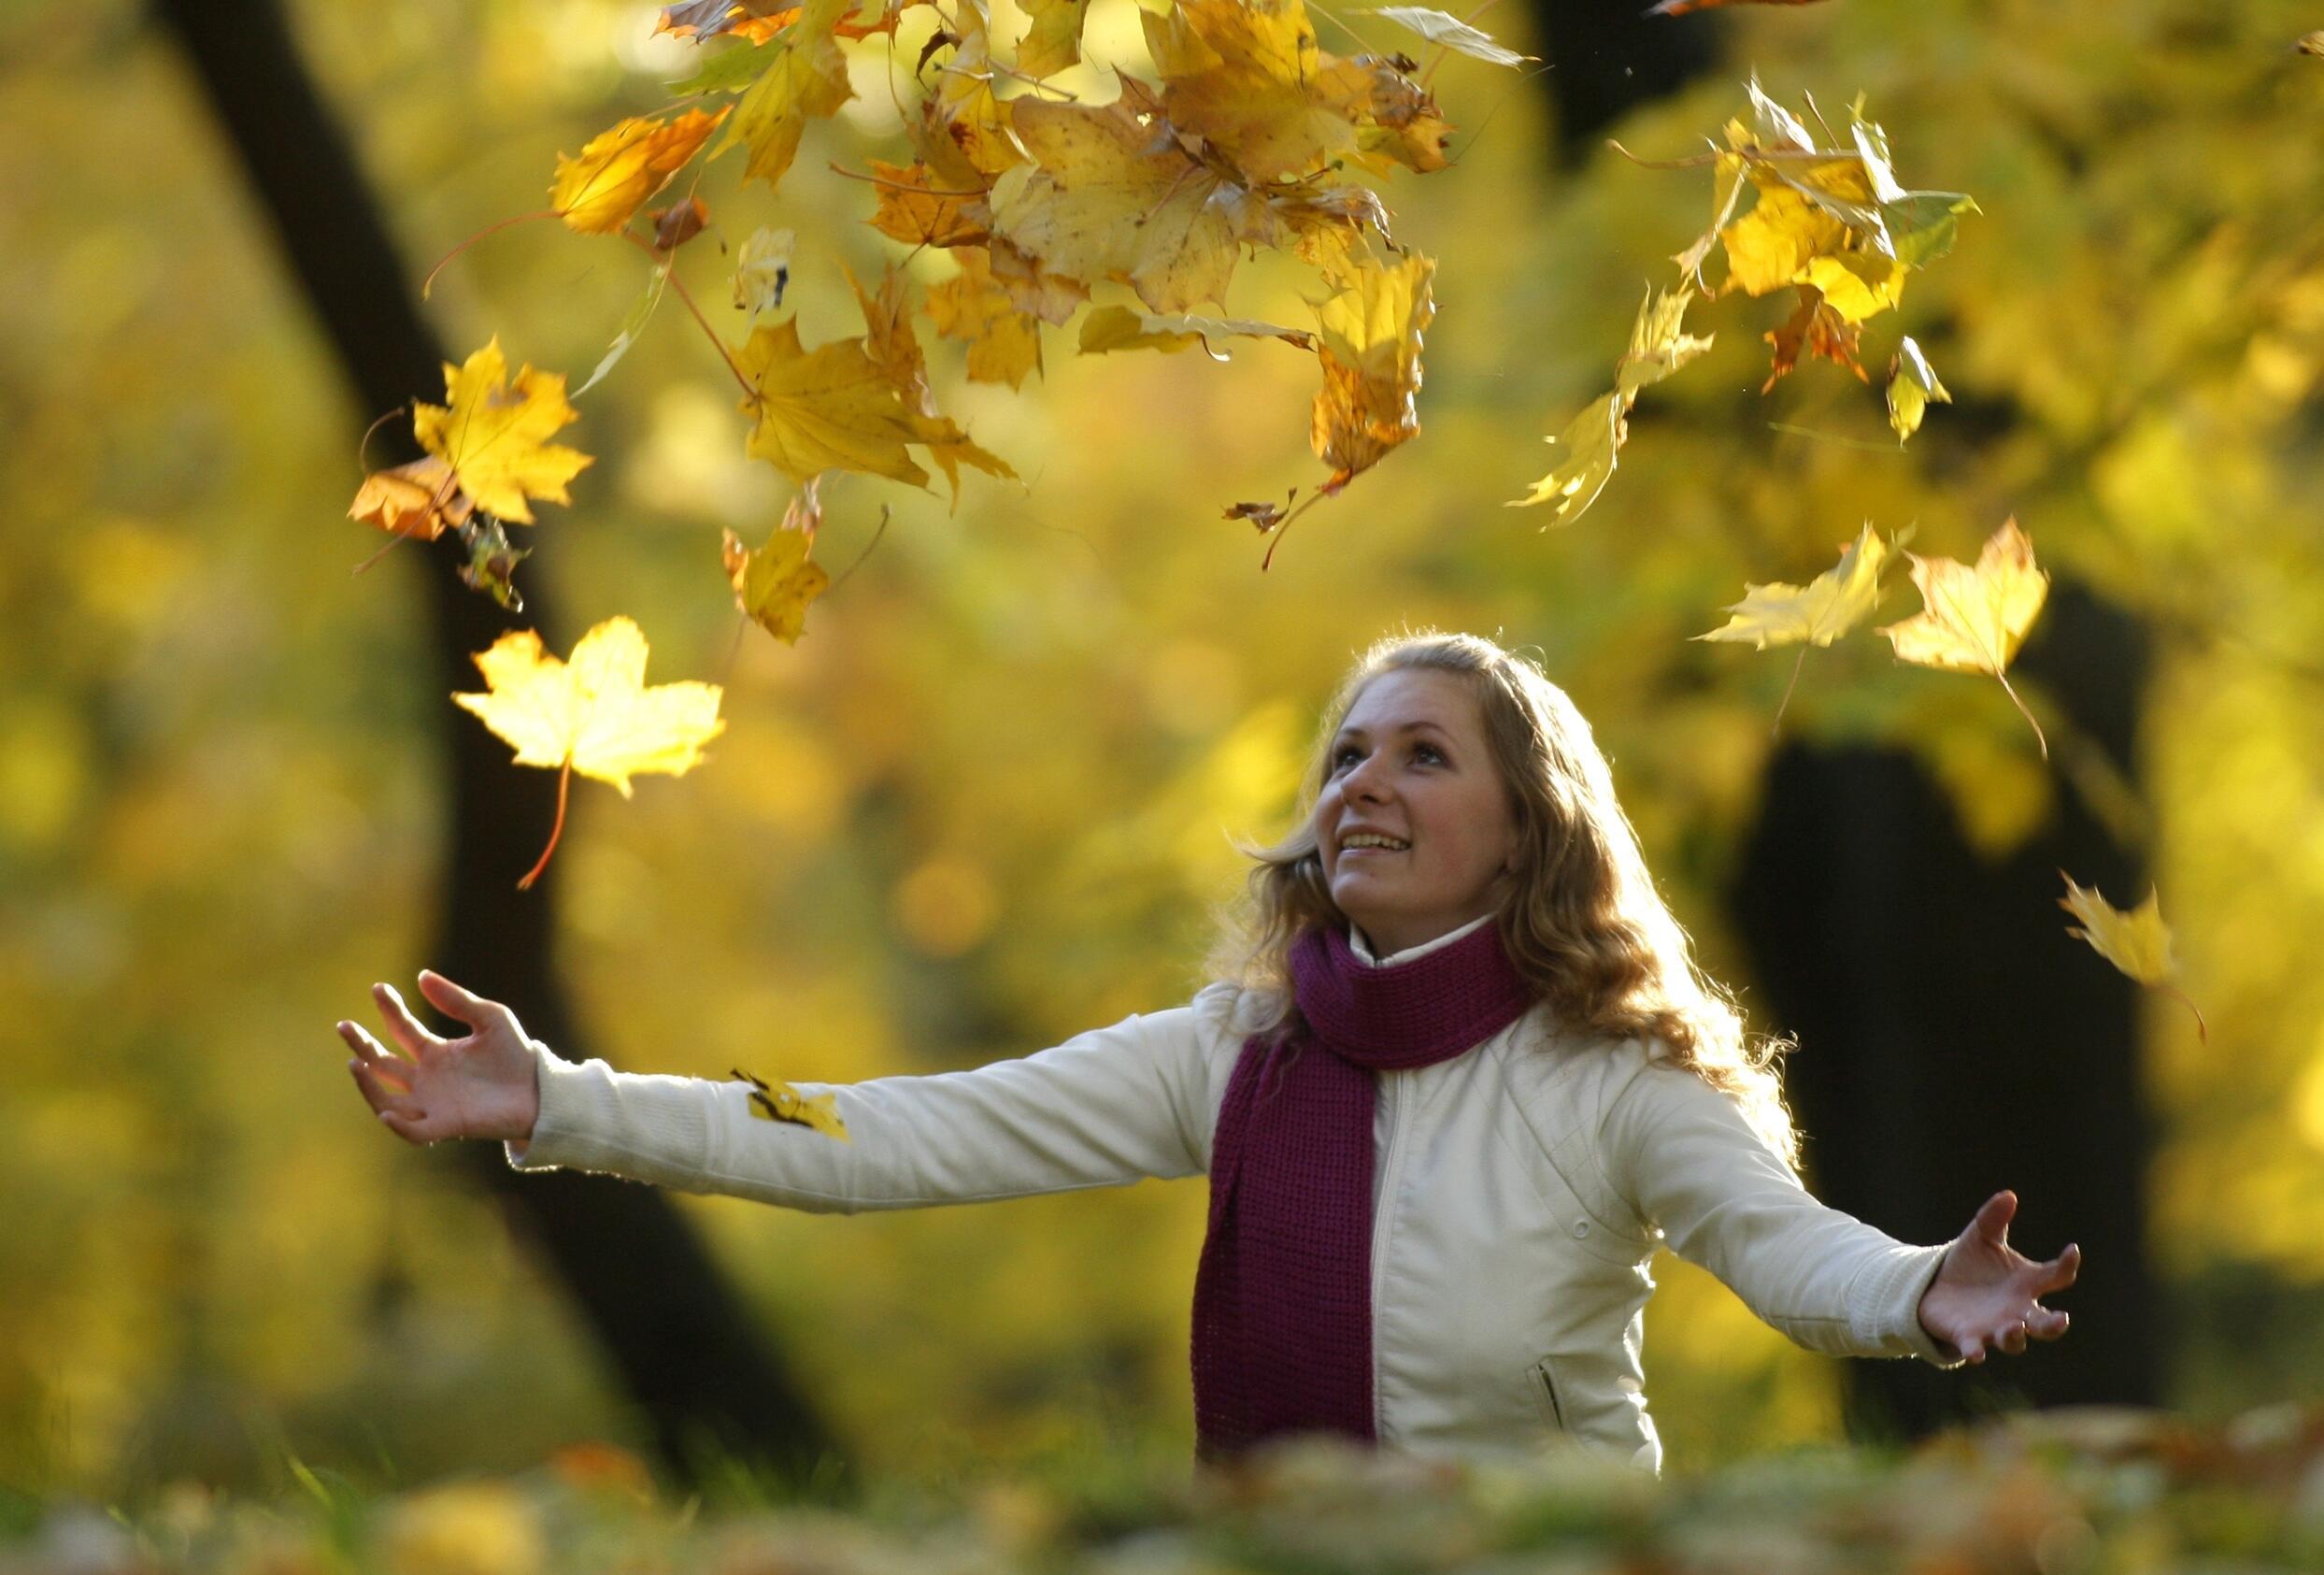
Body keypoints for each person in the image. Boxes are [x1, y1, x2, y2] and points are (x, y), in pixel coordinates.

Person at [337, 630, 2078, 1472]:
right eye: (1344, 756)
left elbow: (1782, 1245)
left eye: (1421, 755)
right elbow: (884, 1131)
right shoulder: (1239, 1053)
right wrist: (561, 1098)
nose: (1363, 786)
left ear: (1529, 825)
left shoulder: (1615, 1070)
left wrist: (1927, 1288)